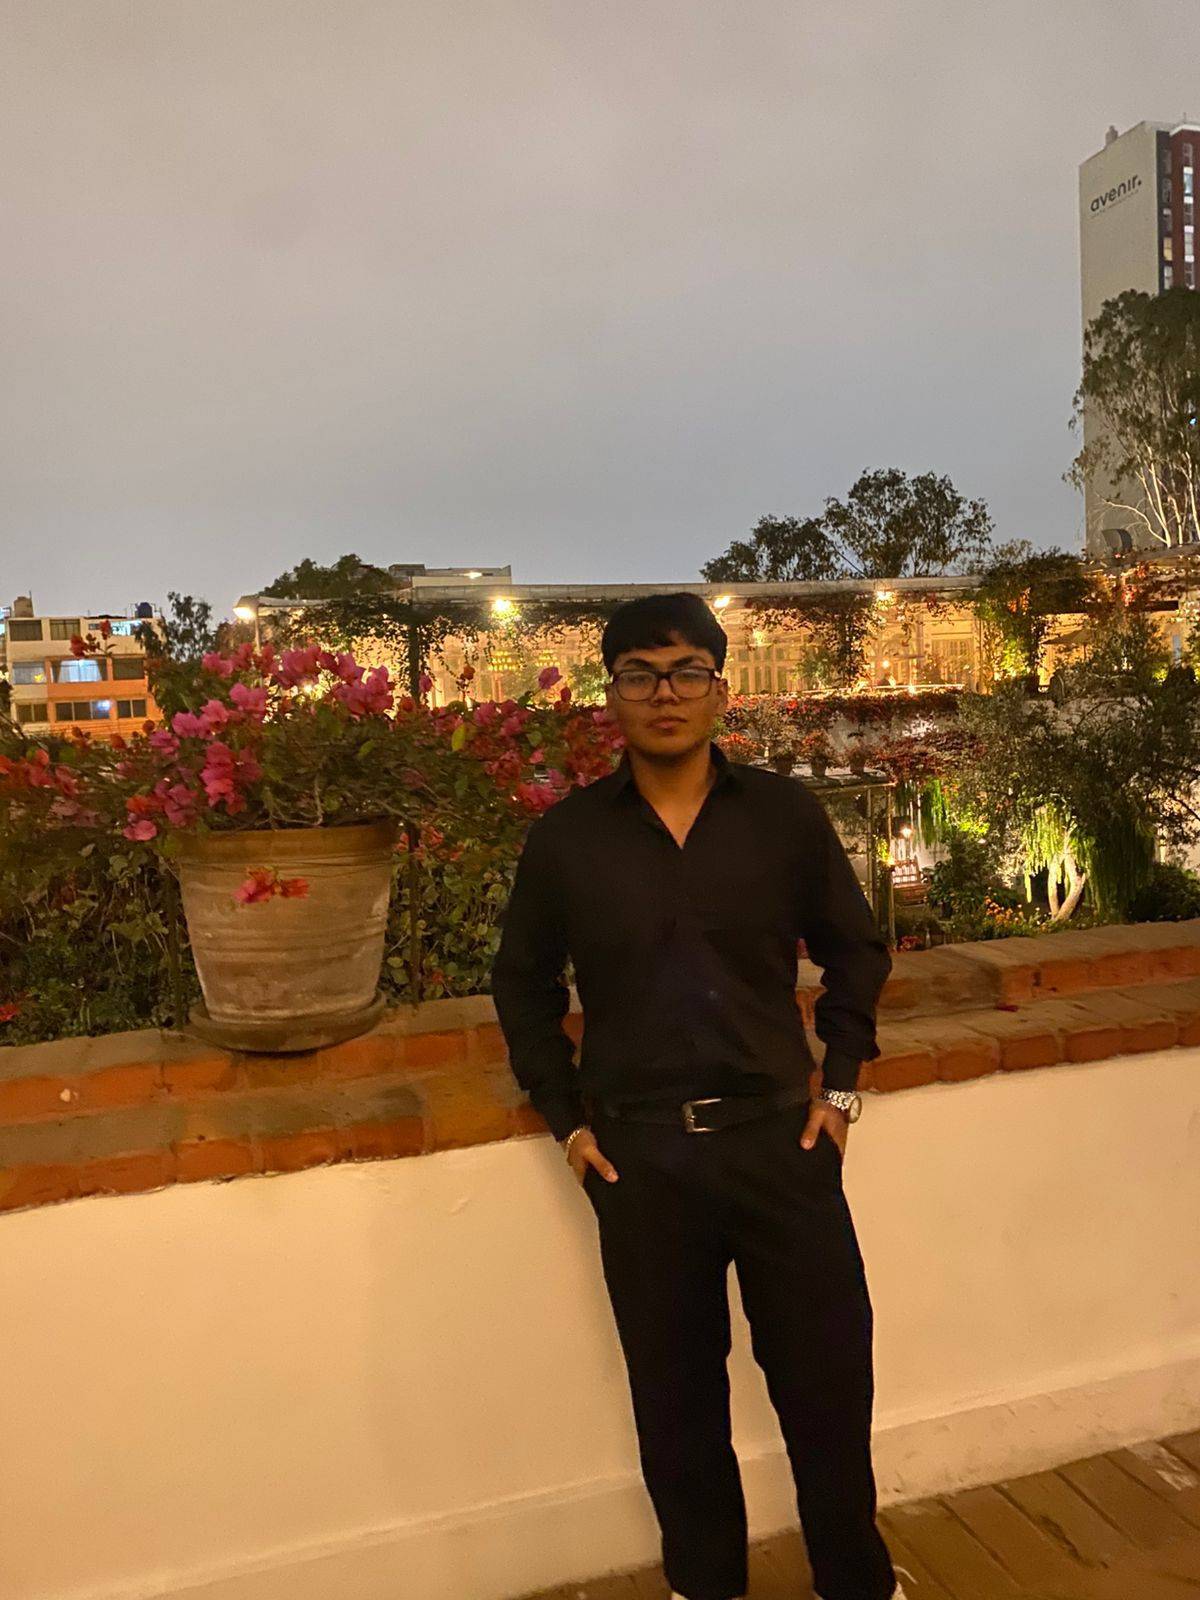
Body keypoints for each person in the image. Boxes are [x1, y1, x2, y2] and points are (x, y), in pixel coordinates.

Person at [491, 592, 904, 1600]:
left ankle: (856, 1583)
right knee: (676, 1406)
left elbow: (856, 949)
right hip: (641, 1162)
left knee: (826, 1386)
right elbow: (522, 984)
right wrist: (565, 1120)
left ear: (720, 689)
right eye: (640, 675)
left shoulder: (784, 819)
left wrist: (841, 1086)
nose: (664, 694)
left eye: (685, 672)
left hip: (782, 1147)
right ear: (612, 695)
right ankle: (704, 1585)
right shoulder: (569, 841)